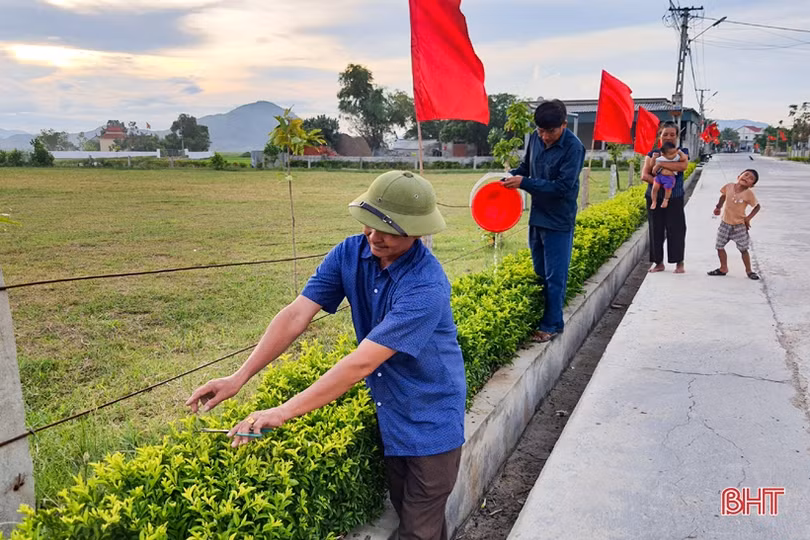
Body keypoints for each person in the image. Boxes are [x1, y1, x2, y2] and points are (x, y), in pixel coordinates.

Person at [186, 170, 467, 540]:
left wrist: (283, 411)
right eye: (369, 224)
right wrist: (239, 378)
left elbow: (362, 362)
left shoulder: (426, 286)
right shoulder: (351, 253)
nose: (374, 236)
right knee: (413, 517)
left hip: (431, 418)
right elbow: (295, 315)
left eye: (389, 229)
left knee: (419, 531)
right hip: (392, 410)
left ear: (416, 231)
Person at [502, 99, 585, 343]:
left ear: (563, 125)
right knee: (539, 271)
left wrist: (524, 183)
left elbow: (562, 186)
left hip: (559, 219)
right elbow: (526, 167)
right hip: (538, 216)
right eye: (540, 130)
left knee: (555, 276)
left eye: (550, 131)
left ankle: (551, 324)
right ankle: (547, 316)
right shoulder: (535, 138)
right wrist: (510, 177)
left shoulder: (574, 148)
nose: (545, 136)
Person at [641, 122, 690, 274]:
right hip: (654, 197)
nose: (669, 137)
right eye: (665, 134)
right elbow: (645, 175)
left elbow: (683, 166)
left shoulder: (682, 152)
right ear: (660, 136)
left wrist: (660, 164)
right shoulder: (652, 153)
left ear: (677, 136)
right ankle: (658, 263)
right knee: (655, 229)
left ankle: (679, 263)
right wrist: (662, 184)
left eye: (672, 134)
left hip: (674, 197)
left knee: (677, 229)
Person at [708, 169, 762, 280]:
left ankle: (749, 271)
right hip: (725, 224)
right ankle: (723, 268)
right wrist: (718, 207)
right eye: (746, 175)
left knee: (743, 249)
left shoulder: (748, 194)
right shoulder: (729, 186)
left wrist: (748, 218)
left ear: (752, 185)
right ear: (739, 176)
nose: (747, 178)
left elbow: (757, 207)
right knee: (719, 246)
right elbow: (723, 196)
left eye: (751, 179)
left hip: (739, 226)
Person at [649, 141, 687, 210]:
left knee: (668, 189)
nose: (674, 154)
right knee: (654, 188)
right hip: (659, 177)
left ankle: (665, 200)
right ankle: (654, 201)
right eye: (671, 154)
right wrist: (653, 158)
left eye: (675, 152)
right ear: (663, 154)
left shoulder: (676, 158)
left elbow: (684, 159)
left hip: (669, 178)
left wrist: (680, 153)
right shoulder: (661, 158)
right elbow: (652, 165)